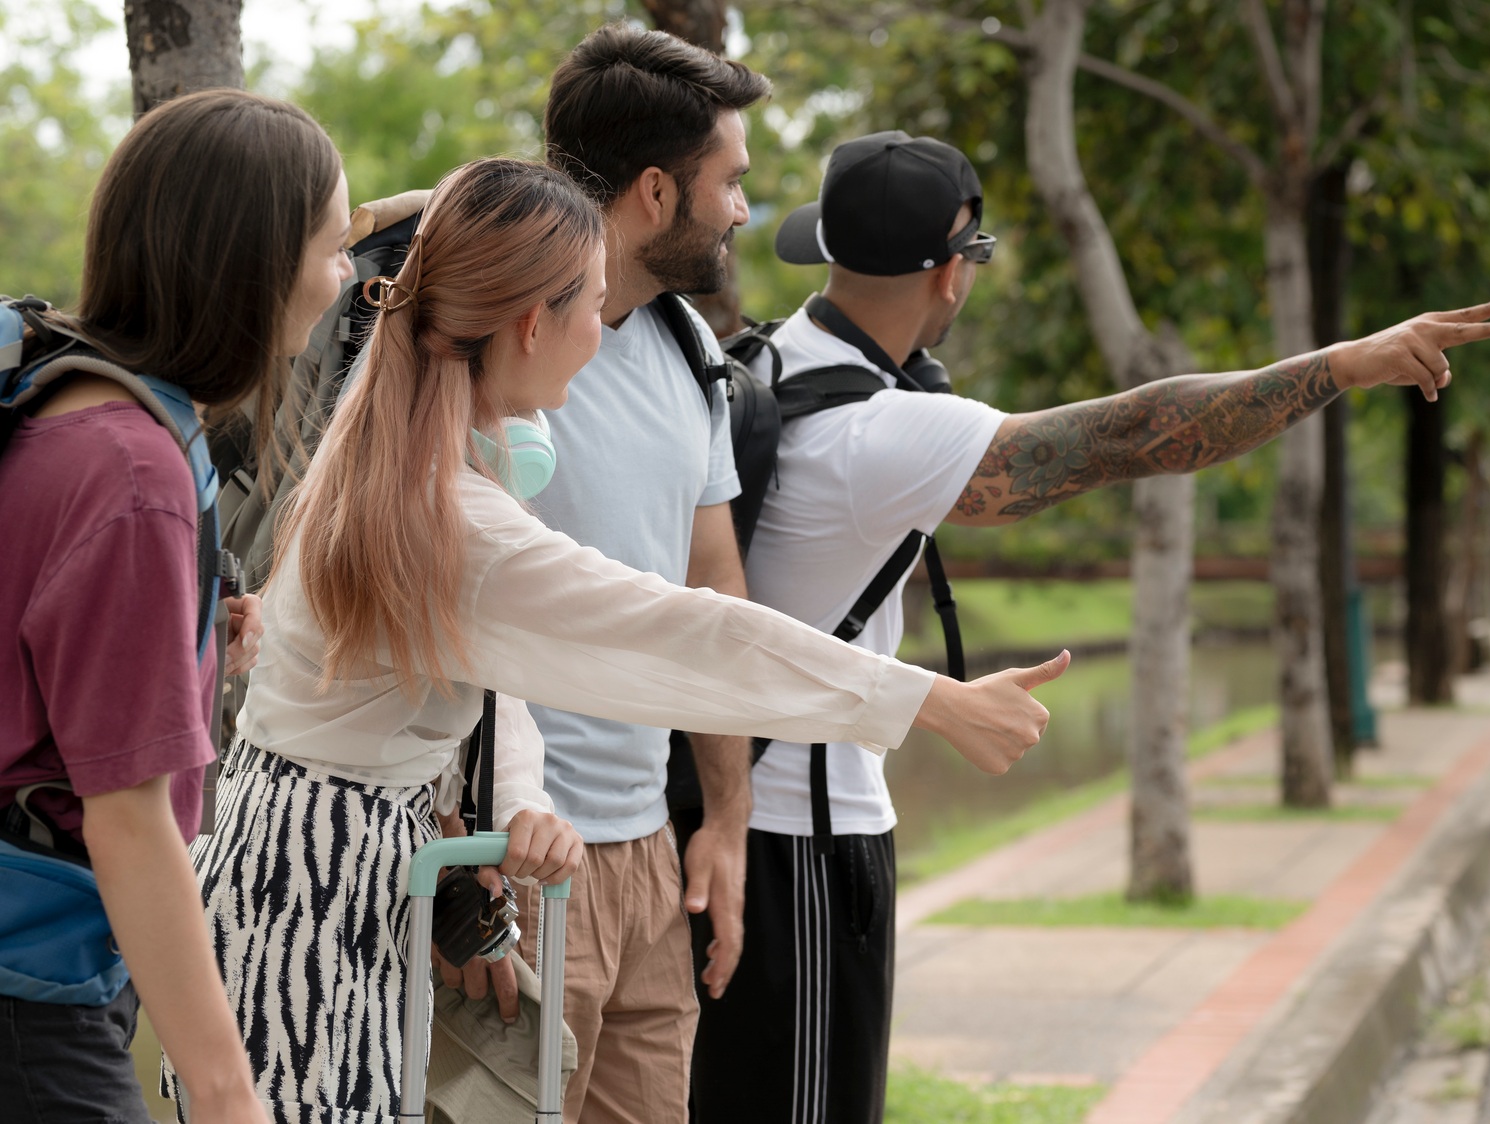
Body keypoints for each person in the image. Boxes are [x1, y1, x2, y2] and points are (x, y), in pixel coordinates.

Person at [171, 154, 1066, 1124]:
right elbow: (687, 632)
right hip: (320, 903)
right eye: (593, 308)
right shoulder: (456, 520)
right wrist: (925, 698)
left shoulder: (388, 453)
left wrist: (514, 793)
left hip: (298, 871)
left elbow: (488, 665)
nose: (601, 336)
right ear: (527, 324)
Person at [689, 131, 1490, 1123]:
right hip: (805, 847)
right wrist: (1339, 364)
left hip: (722, 811)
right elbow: (1130, 434)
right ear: (949, 274)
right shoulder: (883, 431)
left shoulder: (773, 356)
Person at [435, 26, 768, 1124]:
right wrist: (461, 860)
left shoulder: (685, 349)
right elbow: (426, 602)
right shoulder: (483, 342)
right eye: (730, 182)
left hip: (644, 853)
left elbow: (709, 590)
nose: (741, 212)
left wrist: (724, 813)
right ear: (658, 190)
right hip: (516, 856)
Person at [0, 87, 337, 1124]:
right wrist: (229, 1093)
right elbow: (133, 821)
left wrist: (185, 635)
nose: (342, 280)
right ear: (256, 264)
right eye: (330, 248)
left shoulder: (63, 386)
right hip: (30, 993)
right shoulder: (136, 470)